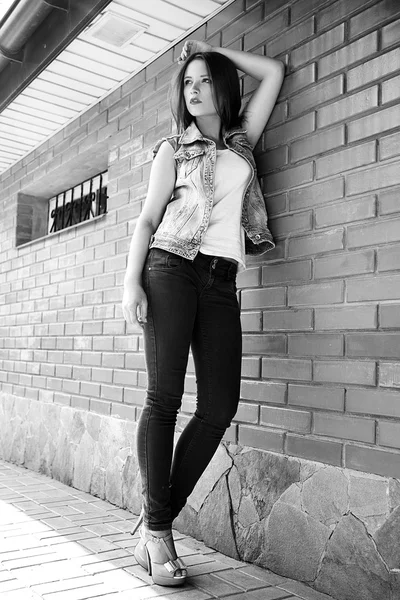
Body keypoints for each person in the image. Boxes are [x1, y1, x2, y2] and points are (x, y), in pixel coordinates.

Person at [122, 39, 284, 587]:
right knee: (164, 396)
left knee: (219, 404)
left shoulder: (241, 145)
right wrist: (130, 284)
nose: (192, 91)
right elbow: (146, 220)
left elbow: (274, 71)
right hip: (169, 267)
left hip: (219, 279)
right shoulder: (172, 149)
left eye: (203, 81)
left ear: (222, 87)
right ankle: (161, 535)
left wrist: (214, 50)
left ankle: (154, 515)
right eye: (186, 83)